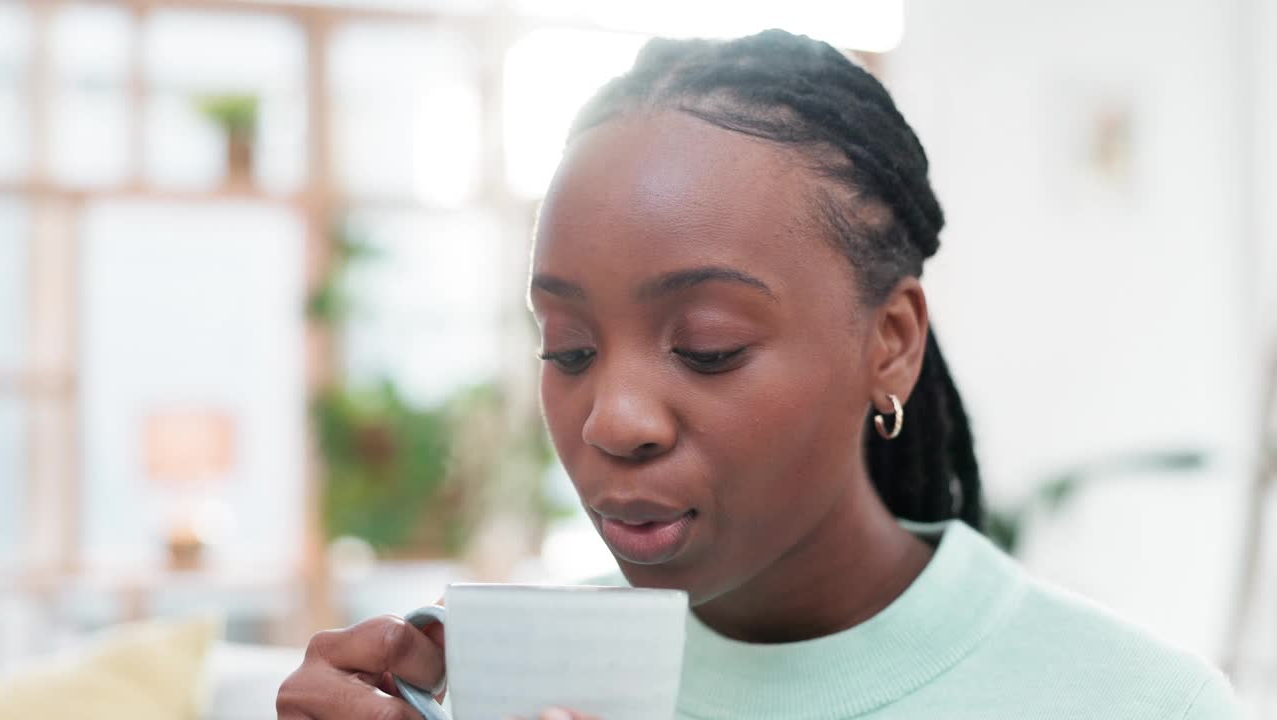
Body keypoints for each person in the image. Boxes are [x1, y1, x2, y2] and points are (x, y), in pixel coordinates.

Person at [277, 29, 1240, 719]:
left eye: (708, 345)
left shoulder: (1140, 702)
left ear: (891, 341)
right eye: (568, 348)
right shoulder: (500, 683)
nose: (612, 418)